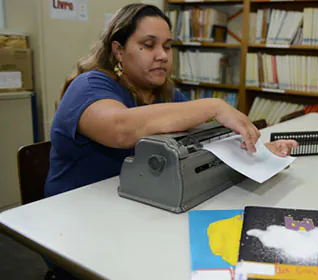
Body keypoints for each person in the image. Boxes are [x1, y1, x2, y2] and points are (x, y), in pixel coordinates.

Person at [43, 3, 297, 279]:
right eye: (148, 45)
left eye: (167, 46)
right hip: (77, 230)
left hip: (141, 216)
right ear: (118, 50)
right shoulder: (88, 86)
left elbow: (208, 141)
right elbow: (121, 129)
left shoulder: (166, 96)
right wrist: (214, 106)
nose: (162, 55)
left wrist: (260, 152)